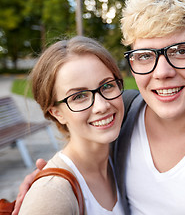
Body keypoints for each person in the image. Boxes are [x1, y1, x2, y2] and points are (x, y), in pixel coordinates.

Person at [13, 0, 185, 215]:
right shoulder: (123, 112)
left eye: (180, 51)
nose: (162, 72)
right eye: (144, 56)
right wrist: (49, 189)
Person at [18, 36, 126, 214]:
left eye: (107, 86)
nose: (102, 106)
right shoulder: (52, 195)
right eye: (78, 96)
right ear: (57, 113)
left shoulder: (118, 156)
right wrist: (46, 189)